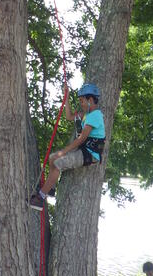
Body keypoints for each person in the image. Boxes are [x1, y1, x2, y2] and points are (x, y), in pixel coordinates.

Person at [29, 82, 105, 211]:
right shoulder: (86, 115)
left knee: (58, 162)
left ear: (90, 99)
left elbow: (82, 138)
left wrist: (63, 152)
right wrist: (66, 98)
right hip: (84, 149)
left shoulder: (95, 116)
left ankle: (40, 199)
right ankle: (50, 189)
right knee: (52, 158)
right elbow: (69, 117)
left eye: (82, 100)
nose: (81, 103)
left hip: (90, 154)